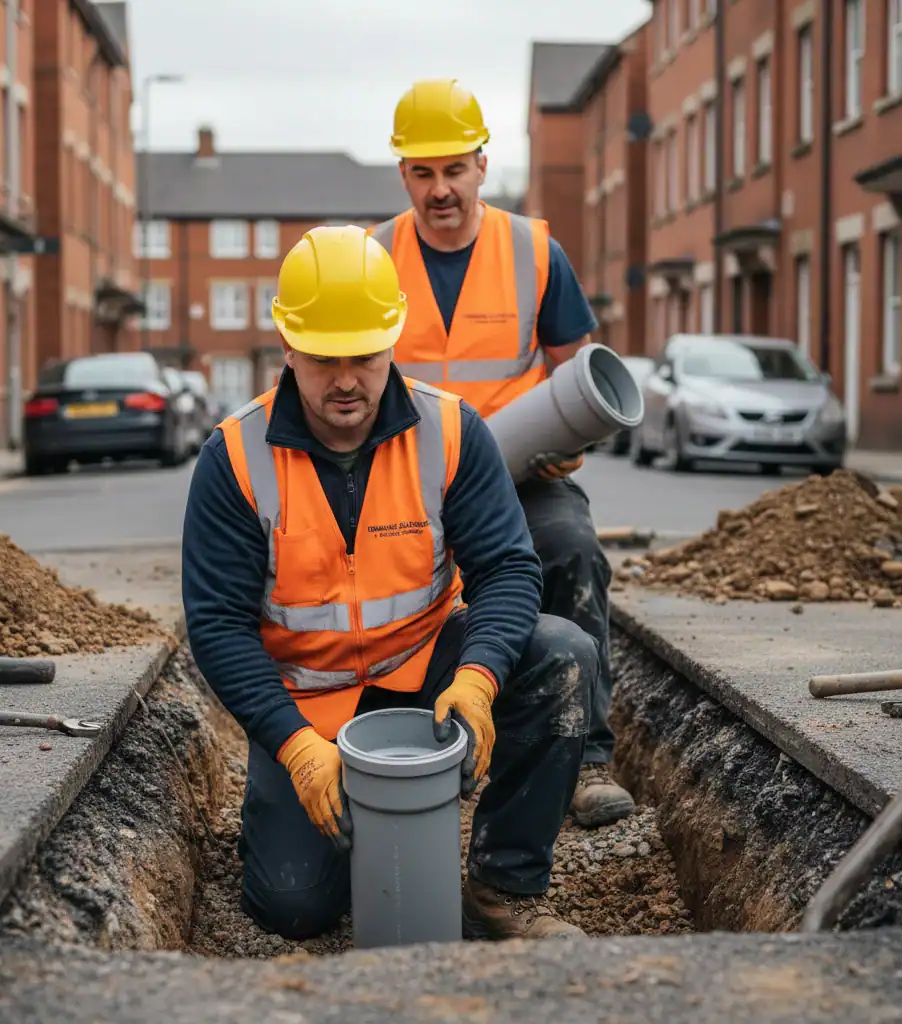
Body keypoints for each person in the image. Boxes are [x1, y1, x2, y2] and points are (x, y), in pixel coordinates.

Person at [181, 224, 597, 942]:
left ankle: (503, 884)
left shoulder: (451, 431)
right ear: (287, 347)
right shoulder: (235, 459)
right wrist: (293, 745)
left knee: (564, 655)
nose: (346, 379)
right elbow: (216, 625)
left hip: (424, 666)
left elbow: (507, 567)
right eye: (322, 358)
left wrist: (478, 677)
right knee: (296, 909)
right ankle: (280, 812)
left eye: (365, 356)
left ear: (393, 340)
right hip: (307, 705)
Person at [367, 78, 633, 828]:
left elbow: (576, 372)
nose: (440, 189)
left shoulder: (533, 250)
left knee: (574, 552)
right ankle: (418, 745)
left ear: (482, 164)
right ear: (404, 175)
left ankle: (587, 762)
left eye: (453, 169)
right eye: (423, 173)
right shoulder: (374, 258)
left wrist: (567, 445)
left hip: (520, 476)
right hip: (410, 479)